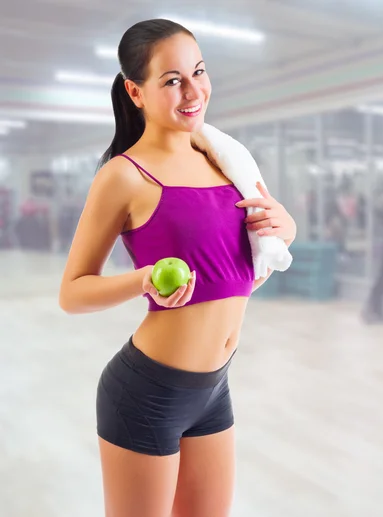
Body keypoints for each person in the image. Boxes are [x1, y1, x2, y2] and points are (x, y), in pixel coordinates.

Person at [58, 19, 296, 517]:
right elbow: (72, 292)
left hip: (213, 389)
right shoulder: (123, 176)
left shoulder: (224, 162)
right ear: (134, 92)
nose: (193, 92)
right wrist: (143, 280)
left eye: (199, 72)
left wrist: (286, 226)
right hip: (146, 394)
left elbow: (255, 252)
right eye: (171, 80)